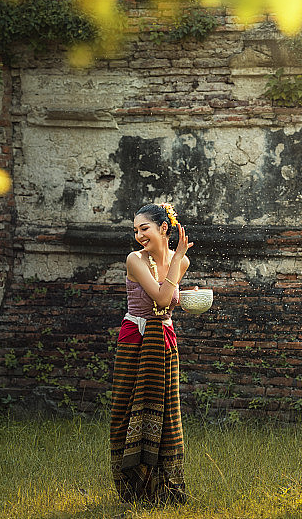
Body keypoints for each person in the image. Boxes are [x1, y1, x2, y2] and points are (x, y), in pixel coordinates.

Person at [109, 202, 193, 504]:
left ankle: (163, 487)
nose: (139, 236)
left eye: (144, 228)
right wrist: (177, 260)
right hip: (135, 339)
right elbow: (160, 297)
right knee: (128, 408)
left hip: (164, 340)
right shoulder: (135, 259)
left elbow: (169, 302)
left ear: (163, 228)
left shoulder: (181, 261)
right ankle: (131, 486)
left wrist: (188, 295)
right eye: (136, 230)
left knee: (165, 409)